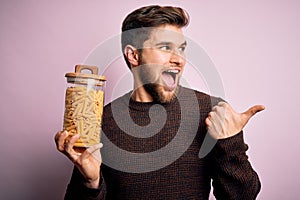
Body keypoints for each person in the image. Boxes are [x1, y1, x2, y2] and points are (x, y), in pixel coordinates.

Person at [55, 5, 265, 200]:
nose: (179, 59)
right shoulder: (103, 120)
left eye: (181, 49)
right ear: (134, 55)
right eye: (165, 47)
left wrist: (231, 143)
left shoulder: (211, 112)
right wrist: (90, 183)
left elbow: (242, 197)